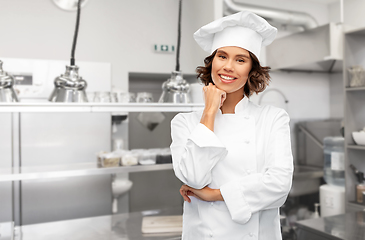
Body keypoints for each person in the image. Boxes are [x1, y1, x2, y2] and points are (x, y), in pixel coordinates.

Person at [170, 11, 294, 240]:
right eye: (222, 56)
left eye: (240, 60)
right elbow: (194, 178)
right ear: (211, 62)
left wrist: (214, 195)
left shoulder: (272, 118)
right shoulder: (184, 122)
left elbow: (279, 185)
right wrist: (209, 111)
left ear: (251, 70)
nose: (228, 66)